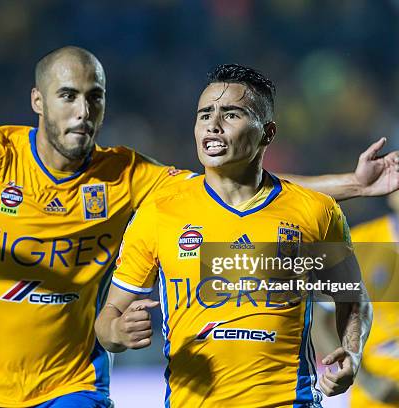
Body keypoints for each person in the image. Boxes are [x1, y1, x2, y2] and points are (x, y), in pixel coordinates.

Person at [0, 48, 399, 407]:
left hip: (76, 385)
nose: (82, 111)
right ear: (37, 102)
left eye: (94, 97)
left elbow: (234, 182)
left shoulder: (130, 175)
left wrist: (354, 186)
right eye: (67, 96)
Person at [95, 64, 375, 407]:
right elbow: (107, 320)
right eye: (204, 115)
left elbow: (354, 299)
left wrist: (352, 352)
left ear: (267, 133)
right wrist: (117, 333)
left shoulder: (317, 211)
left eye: (230, 114)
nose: (213, 125)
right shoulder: (159, 212)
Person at [316, 150, 399, 408]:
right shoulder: (358, 245)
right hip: (362, 397)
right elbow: (320, 320)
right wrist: (364, 378)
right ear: (394, 194)